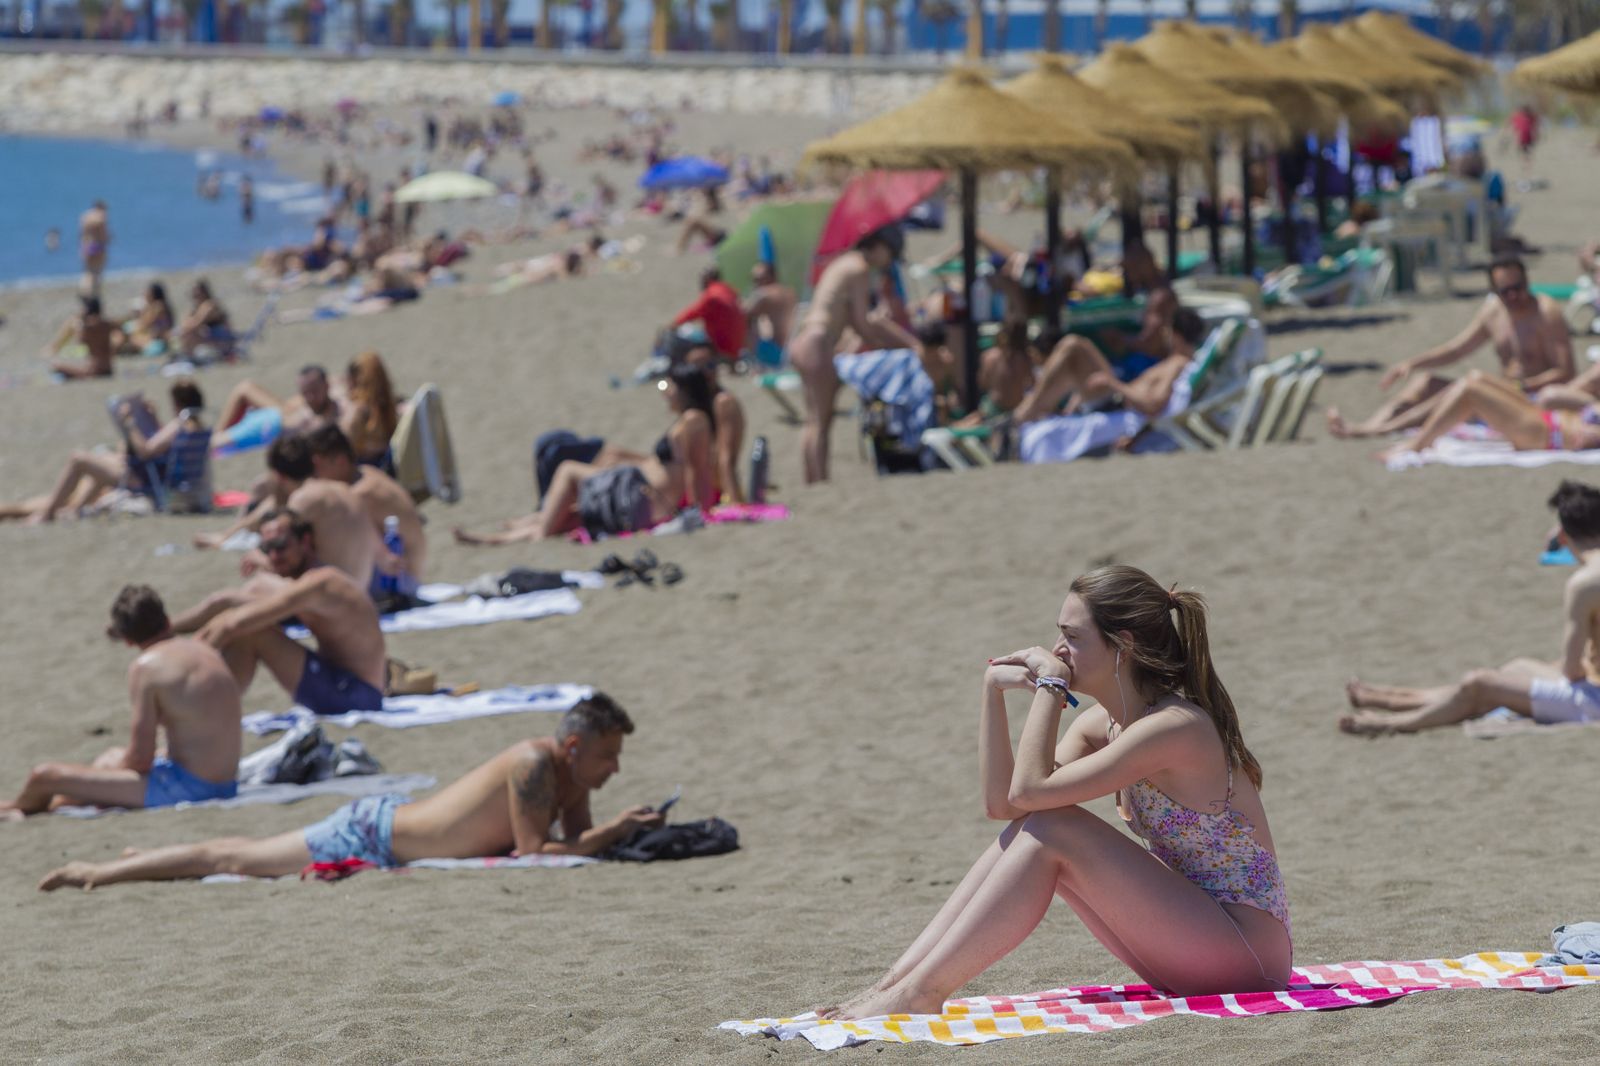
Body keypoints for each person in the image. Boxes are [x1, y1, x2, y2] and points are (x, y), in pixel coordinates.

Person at [817, 566, 1290, 1019]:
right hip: (1196, 943)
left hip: (1247, 956)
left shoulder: (1175, 726)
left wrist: (1049, 686)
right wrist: (992, 692)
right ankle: (895, 986)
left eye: (1073, 637)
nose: (1058, 650)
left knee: (1055, 826)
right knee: (1040, 824)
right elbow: (1005, 806)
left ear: (1123, 645)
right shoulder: (1103, 725)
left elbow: (1029, 791)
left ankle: (921, 993)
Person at [39, 693, 662, 890]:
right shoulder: (533, 765)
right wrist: (614, 832)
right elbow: (534, 853)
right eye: (607, 756)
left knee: (238, 852)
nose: (614, 768)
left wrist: (618, 829)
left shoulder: (571, 776)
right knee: (231, 856)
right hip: (370, 834)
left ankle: (144, 860)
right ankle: (97, 871)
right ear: (573, 746)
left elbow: (576, 840)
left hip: (388, 830)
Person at [1342, 481, 1600, 734]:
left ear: (1562, 536)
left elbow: (1571, 671)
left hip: (1593, 704)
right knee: (1516, 669)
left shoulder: (1584, 584)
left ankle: (1394, 723)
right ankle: (1400, 698)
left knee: (1480, 683)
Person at [1, 586, 241, 820]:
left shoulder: (147, 668)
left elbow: (140, 760)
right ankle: (58, 803)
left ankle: (16, 807)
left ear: (127, 640)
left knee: (44, 777)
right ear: (167, 621)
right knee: (110, 757)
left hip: (190, 789)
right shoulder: (204, 650)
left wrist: (108, 775)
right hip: (226, 783)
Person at [455, 363, 716, 545]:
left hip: (646, 498)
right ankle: (503, 537)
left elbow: (697, 468)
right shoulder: (689, 421)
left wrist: (698, 512)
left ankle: (536, 530)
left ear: (685, 389)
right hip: (643, 498)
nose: (665, 392)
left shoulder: (694, 420)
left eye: (669, 386)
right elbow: (674, 464)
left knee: (568, 470)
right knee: (573, 515)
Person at [1327, 257, 1573, 439]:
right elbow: (1457, 349)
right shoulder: (1494, 312)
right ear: (1493, 291)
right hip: (1502, 391)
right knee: (1424, 382)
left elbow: (1566, 372)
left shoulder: (1545, 314)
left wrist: (1523, 386)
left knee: (1461, 389)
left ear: (1527, 282)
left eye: (1517, 288)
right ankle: (1370, 424)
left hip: (1530, 400)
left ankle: (1378, 430)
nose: (1513, 297)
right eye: (1505, 291)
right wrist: (1411, 363)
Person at [177, 509, 387, 716]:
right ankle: (207, 710)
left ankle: (201, 712)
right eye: (267, 548)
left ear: (305, 541)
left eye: (280, 546)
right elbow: (238, 604)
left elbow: (234, 624)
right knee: (246, 615)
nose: (274, 556)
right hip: (347, 683)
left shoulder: (321, 584)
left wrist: (180, 662)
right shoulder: (318, 581)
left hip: (356, 694)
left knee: (251, 630)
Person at [791, 227, 920, 483]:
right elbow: (861, 321)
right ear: (880, 246)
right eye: (891, 254)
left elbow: (850, 316)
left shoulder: (843, 263)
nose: (889, 262)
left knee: (813, 420)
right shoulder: (859, 268)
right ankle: (819, 481)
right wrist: (884, 345)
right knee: (821, 421)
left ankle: (812, 480)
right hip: (818, 341)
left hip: (806, 339)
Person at [7, 378, 211, 523]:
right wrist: (153, 418)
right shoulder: (197, 427)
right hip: (158, 476)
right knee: (104, 457)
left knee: (79, 459)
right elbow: (165, 448)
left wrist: (129, 423)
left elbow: (145, 451)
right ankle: (74, 509)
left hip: (149, 482)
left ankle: (49, 513)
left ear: (177, 403)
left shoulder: (179, 424)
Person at [1012, 294, 1202, 424]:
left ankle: (1021, 417)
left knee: (1074, 345)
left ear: (1175, 335)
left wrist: (1113, 384)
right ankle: (1026, 413)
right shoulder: (1177, 362)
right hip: (1114, 401)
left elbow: (1154, 404)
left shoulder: (1177, 364)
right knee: (1074, 349)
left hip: (1116, 404)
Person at [304, 424, 427, 593]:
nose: (315, 475)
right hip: (409, 573)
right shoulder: (368, 472)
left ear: (340, 461)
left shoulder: (361, 494)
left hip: (402, 582)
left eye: (318, 467)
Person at [1380, 369, 1600, 460]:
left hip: (1546, 434)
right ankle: (1410, 431)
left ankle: (1419, 444)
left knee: (1470, 391)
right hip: (1548, 419)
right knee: (1476, 377)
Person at [216, 364, 343, 440]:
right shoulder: (334, 393)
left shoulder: (335, 412)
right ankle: (217, 434)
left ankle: (216, 435)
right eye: (305, 393)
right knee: (245, 388)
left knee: (245, 389)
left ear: (326, 386)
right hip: (290, 411)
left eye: (314, 391)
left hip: (288, 415)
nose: (310, 397)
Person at [670, 267, 746, 363]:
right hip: (737, 344)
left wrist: (673, 324)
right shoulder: (727, 289)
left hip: (723, 347)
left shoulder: (712, 295)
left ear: (708, 279)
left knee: (689, 355)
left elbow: (692, 313)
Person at [340, 350, 400, 466]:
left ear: (354, 379)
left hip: (364, 466)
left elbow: (343, 444)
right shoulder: (387, 405)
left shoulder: (358, 408)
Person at [43, 295, 115, 380]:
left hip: (94, 370)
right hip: (108, 368)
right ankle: (54, 347)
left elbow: (80, 341)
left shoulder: (87, 327)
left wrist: (79, 321)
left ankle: (54, 348)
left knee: (56, 366)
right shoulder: (106, 324)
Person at [744, 261, 797, 367]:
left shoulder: (764, 294)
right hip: (794, 348)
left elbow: (741, 315)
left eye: (758, 279)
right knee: (762, 322)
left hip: (779, 354)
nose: (756, 283)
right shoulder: (789, 292)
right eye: (754, 280)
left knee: (744, 330)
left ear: (771, 277)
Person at [174, 278, 233, 358]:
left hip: (222, 341)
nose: (194, 294)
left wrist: (186, 327)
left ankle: (189, 355)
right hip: (211, 338)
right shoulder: (197, 307)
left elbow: (196, 324)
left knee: (188, 334)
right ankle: (188, 355)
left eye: (196, 291)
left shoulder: (210, 305)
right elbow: (185, 324)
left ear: (204, 292)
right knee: (185, 333)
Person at [112, 282, 176, 355]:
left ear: (153, 294)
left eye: (148, 292)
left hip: (155, 339)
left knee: (121, 336)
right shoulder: (156, 306)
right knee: (120, 334)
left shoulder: (158, 306)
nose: (145, 294)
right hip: (152, 337)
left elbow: (145, 324)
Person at [79, 199, 110, 297]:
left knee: (88, 271)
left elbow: (82, 234)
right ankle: (93, 294)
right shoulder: (100, 217)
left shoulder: (85, 216)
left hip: (86, 245)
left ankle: (85, 292)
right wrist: (107, 240)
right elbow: (103, 234)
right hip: (97, 245)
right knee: (97, 271)